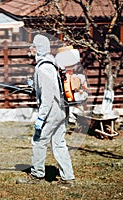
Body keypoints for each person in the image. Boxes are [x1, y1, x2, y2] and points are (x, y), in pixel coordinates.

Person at [16, 34, 75, 186]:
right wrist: (34, 86)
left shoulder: (43, 68)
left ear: (37, 49)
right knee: (59, 143)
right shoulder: (52, 64)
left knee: (38, 141)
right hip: (62, 109)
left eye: (32, 46)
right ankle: (68, 178)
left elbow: (48, 96)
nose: (29, 49)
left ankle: (37, 175)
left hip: (52, 111)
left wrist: (41, 117)